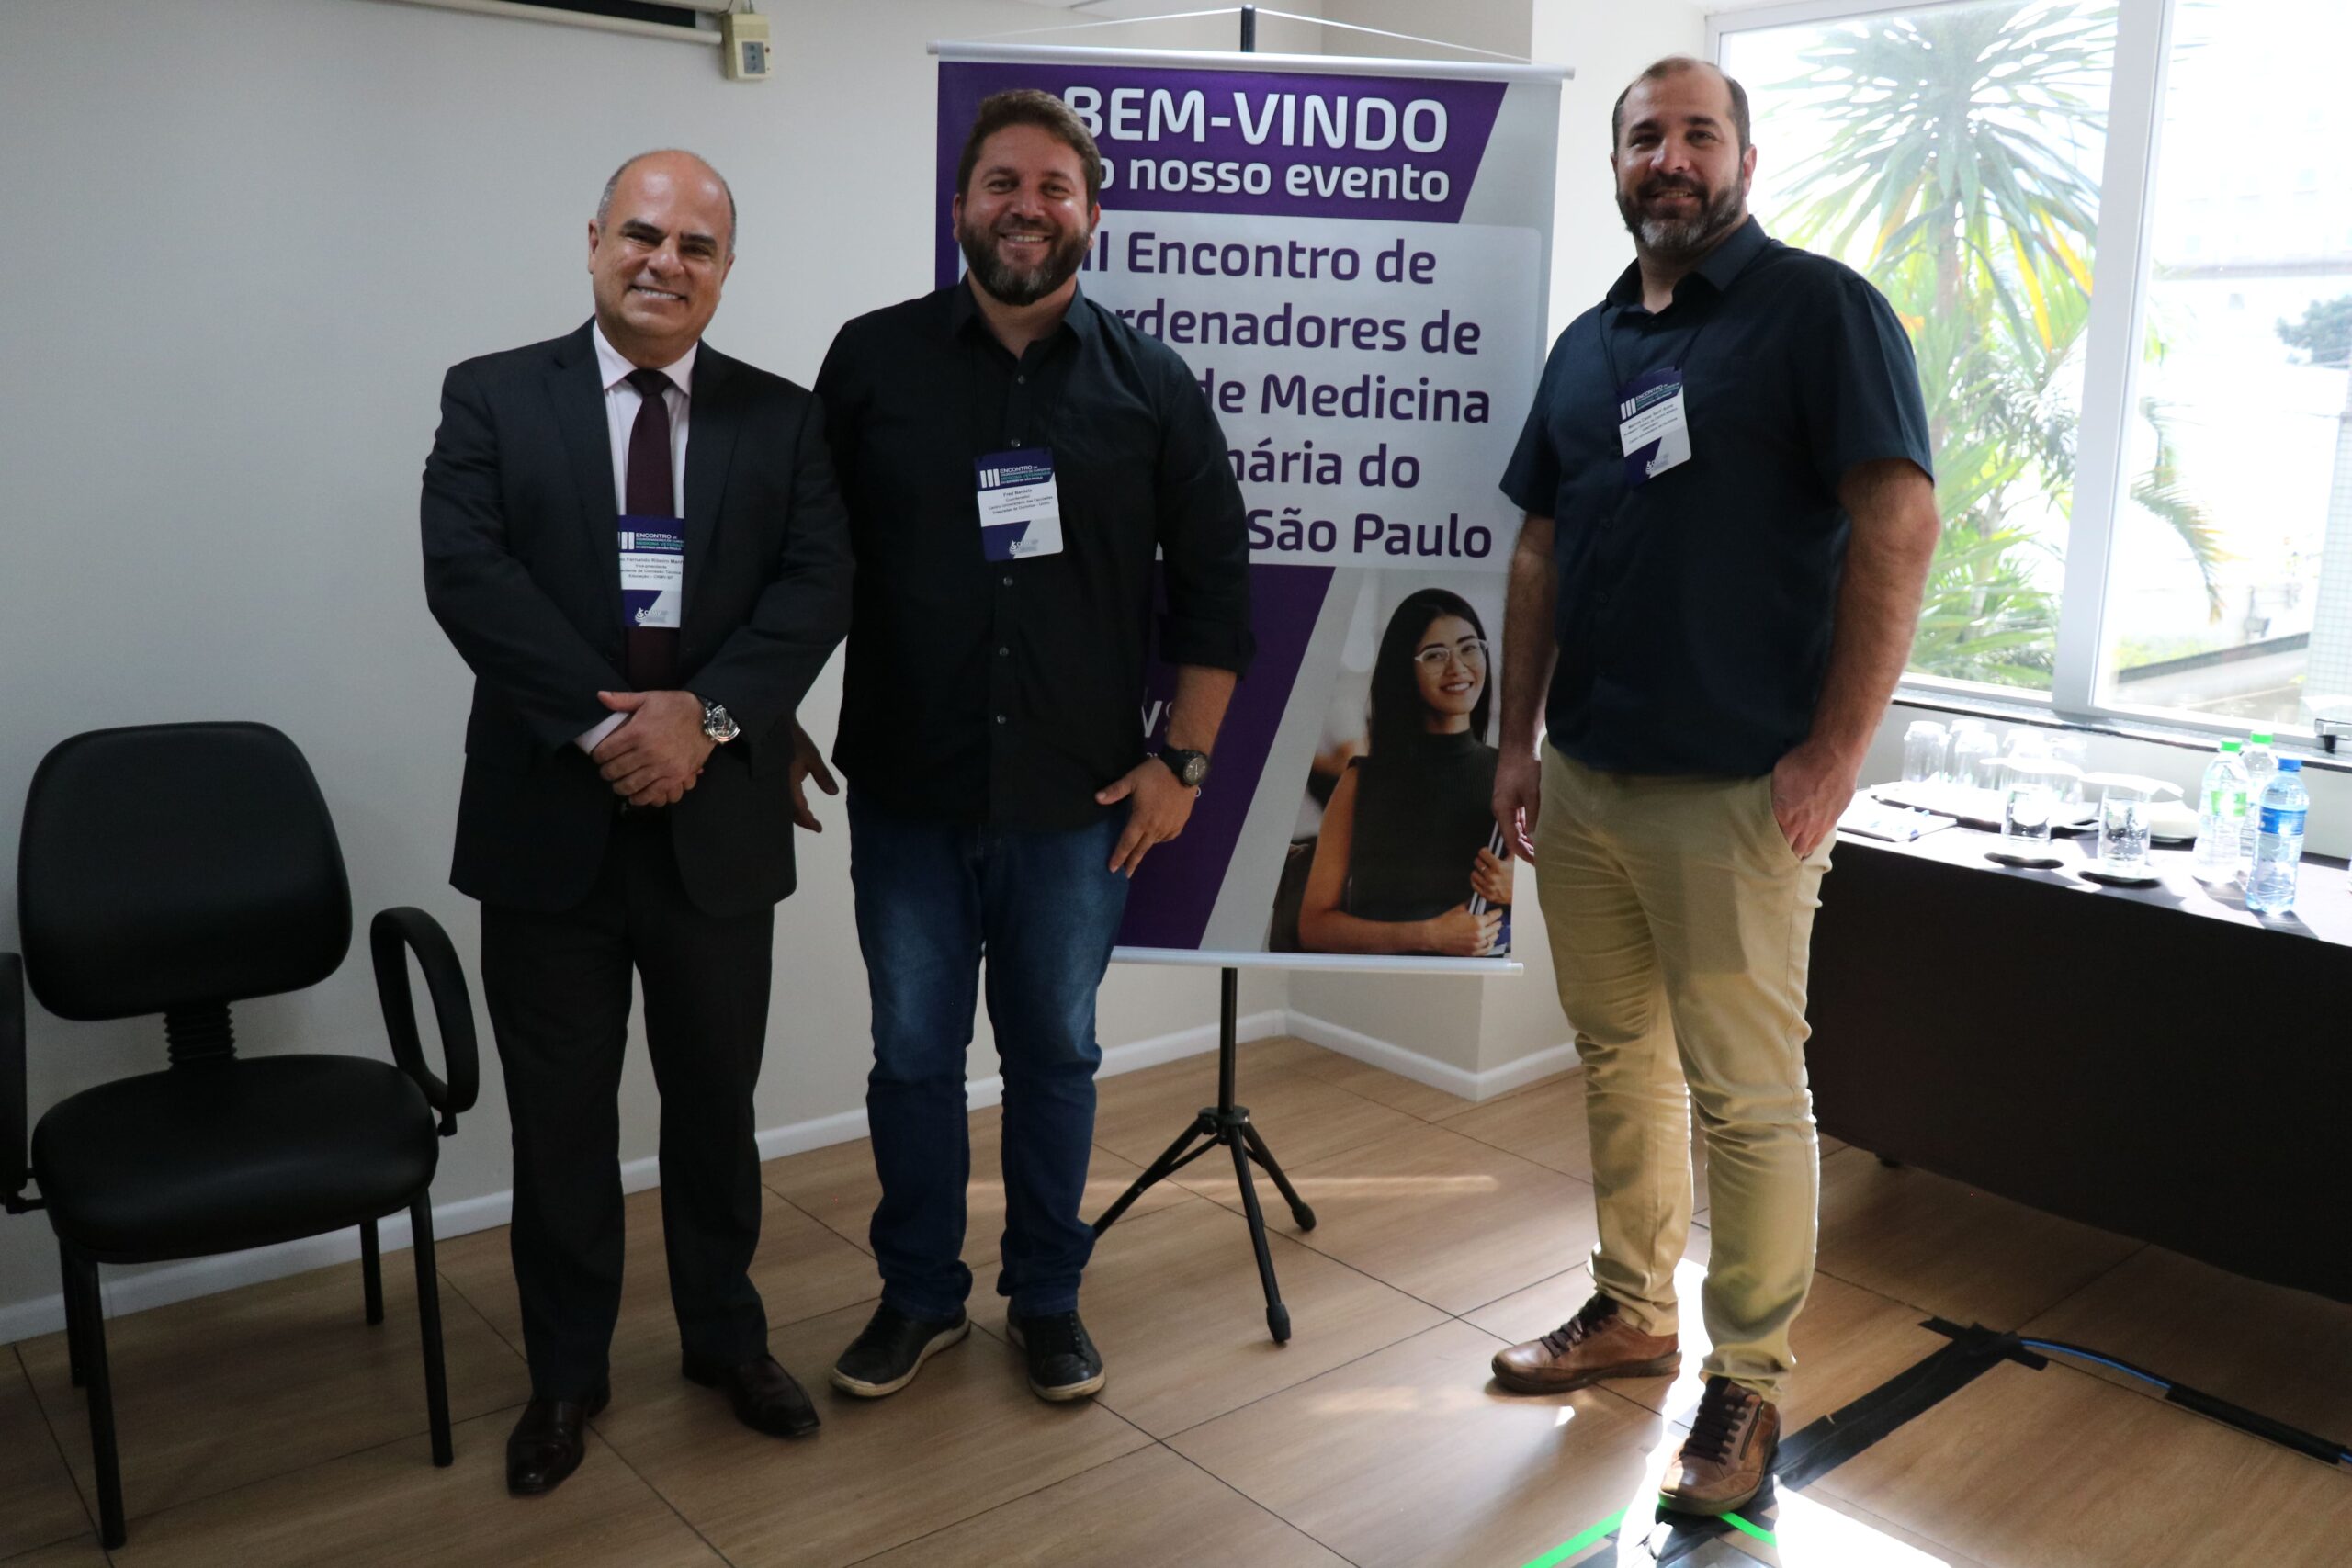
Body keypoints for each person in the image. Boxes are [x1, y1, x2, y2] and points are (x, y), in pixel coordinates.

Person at [1487, 58, 1939, 1516]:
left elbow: (1900, 519)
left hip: (1741, 792)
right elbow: (1541, 551)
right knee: (1617, 1056)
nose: (1668, 158)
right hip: (1589, 779)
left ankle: (1747, 1376)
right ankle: (1632, 1307)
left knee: (1746, 1096)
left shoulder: (1821, 314)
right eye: (1644, 137)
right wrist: (1514, 739)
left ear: (1745, 156)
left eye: (1696, 134)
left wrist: (1838, 749)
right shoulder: (1586, 344)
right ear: (1615, 165)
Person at [793, 88, 1252, 1406]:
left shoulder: (1153, 383)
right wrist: (763, 712)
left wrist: (1190, 764)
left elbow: (1217, 595)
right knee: (913, 1055)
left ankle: (1046, 1296)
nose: (1027, 207)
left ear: (1091, 216)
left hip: (1078, 802)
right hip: (909, 787)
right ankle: (920, 1296)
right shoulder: (871, 361)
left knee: (1056, 1051)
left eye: (1055, 187)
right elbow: (802, 561)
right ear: (959, 207)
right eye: (1002, 182)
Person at [419, 150, 853, 1496]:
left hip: (714, 826)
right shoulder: (493, 395)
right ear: (594, 240)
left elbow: (816, 580)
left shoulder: (782, 420)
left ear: (726, 271)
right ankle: (566, 1371)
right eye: (643, 235)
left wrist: (705, 718)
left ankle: (727, 1337)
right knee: (558, 1119)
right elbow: (465, 573)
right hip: (548, 825)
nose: (665, 262)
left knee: (716, 1103)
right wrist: (616, 727)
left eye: (696, 247)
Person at [1295, 589, 1510, 956]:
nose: (1457, 666)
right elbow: (1314, 927)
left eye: (1469, 647)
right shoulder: (1361, 782)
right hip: (1382, 988)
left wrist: (1522, 890)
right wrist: (1429, 935)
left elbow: (1580, 907)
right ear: (1404, 668)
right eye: (1435, 655)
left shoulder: (1513, 776)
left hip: (1485, 992)